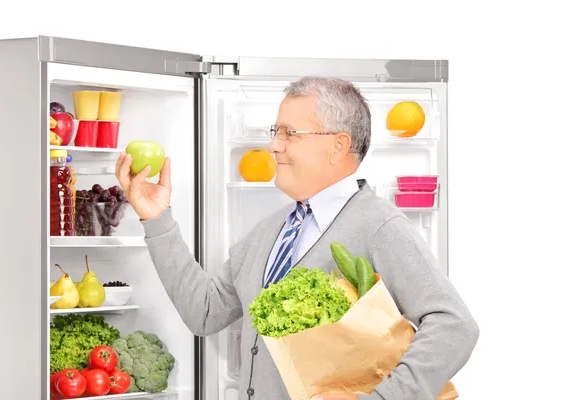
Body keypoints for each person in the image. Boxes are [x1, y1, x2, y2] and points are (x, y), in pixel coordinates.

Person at [115, 76, 479, 400]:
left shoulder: (379, 225)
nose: (274, 146)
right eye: (275, 132)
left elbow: (455, 325)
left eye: (289, 133)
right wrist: (157, 218)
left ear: (338, 146)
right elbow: (206, 313)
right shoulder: (270, 230)